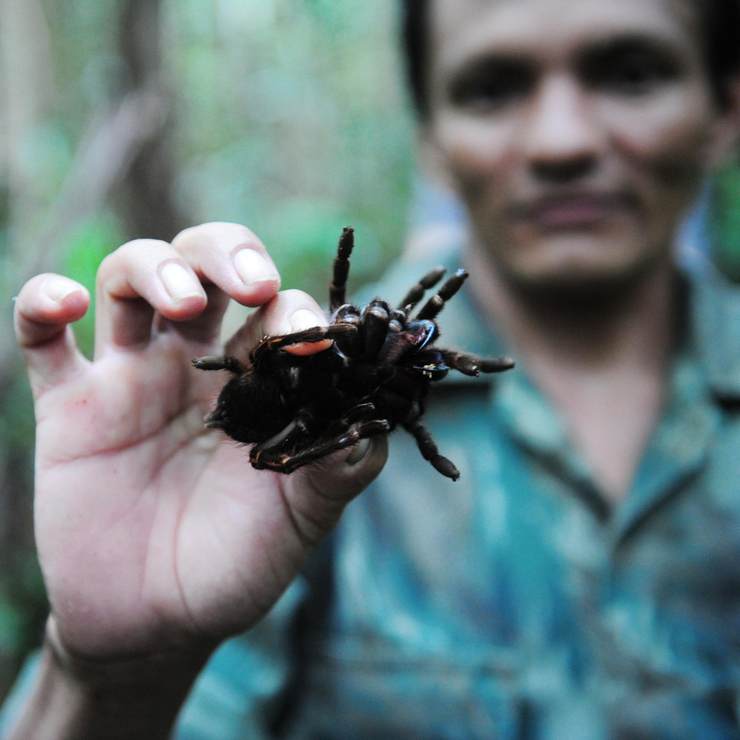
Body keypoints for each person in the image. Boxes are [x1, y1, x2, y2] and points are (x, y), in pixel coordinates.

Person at [4, 0, 740, 736]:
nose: (562, 141)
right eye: (492, 87)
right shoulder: (280, 443)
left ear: (725, 108)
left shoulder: (394, 390)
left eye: (632, 75)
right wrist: (106, 679)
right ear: (430, 138)